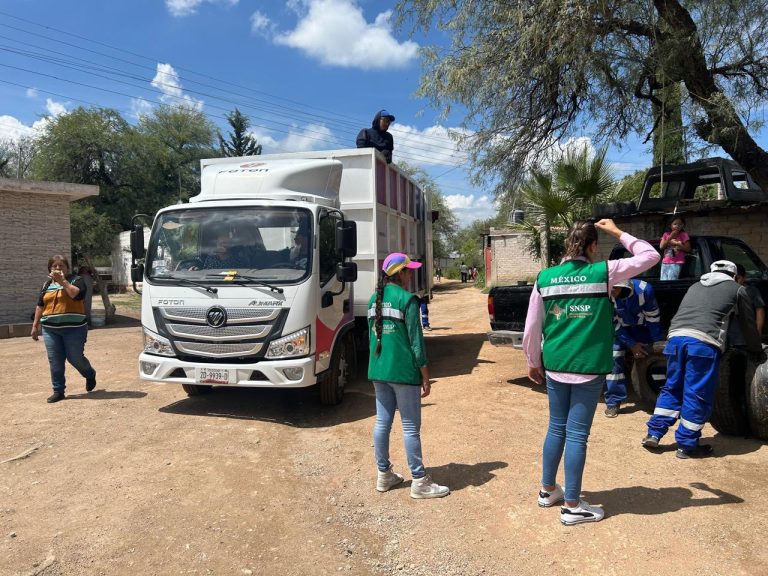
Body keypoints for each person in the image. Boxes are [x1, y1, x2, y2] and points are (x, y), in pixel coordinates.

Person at [523, 219, 659, 525]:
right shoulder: (605, 272)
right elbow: (651, 256)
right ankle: (572, 505)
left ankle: (548, 490)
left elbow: (532, 324)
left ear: (567, 245)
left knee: (556, 427)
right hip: (588, 365)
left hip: (556, 363)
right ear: (593, 246)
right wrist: (617, 232)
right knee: (576, 434)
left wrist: (532, 360)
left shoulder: (544, 277)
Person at [643, 260, 762, 458]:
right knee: (696, 393)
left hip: (675, 339)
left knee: (672, 387)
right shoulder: (738, 289)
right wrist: (756, 349)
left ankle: (653, 433)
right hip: (703, 344)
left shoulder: (695, 286)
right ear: (734, 276)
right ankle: (687, 445)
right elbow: (748, 324)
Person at [368, 252, 449, 499]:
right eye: (409, 270)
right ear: (400, 273)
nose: (411, 274)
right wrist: (425, 374)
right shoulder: (407, 300)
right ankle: (419, 480)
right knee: (411, 427)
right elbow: (416, 342)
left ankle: (384, 474)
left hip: (378, 370)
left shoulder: (373, 299)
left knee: (382, 422)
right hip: (403, 372)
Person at [31, 255, 98, 403]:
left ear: (67, 268)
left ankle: (89, 374)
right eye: (54, 266)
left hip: (74, 329)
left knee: (75, 358)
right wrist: (35, 325)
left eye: (61, 265)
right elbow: (40, 305)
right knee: (55, 360)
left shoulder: (77, 280)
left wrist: (63, 282)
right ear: (50, 269)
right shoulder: (46, 284)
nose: (58, 268)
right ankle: (58, 391)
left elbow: (76, 295)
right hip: (50, 329)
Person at [604, 278, 664, 417]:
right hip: (619, 331)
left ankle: (659, 400)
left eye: (615, 288)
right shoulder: (605, 294)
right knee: (614, 358)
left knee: (654, 361)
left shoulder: (645, 290)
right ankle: (613, 402)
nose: (611, 291)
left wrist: (656, 347)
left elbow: (653, 319)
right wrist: (632, 345)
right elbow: (612, 323)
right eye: (610, 287)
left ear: (624, 287)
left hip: (643, 329)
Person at [735, 263, 765, 335]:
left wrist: (758, 330)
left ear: (744, 278)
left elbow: (760, 310)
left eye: (737, 278)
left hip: (747, 329)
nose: (734, 281)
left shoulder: (751, 290)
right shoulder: (725, 290)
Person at [659, 216, 691, 280]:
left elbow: (688, 249)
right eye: (675, 224)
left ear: (683, 225)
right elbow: (661, 247)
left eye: (680, 224)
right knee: (663, 280)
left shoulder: (683, 235)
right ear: (670, 225)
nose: (677, 226)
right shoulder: (666, 234)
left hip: (677, 262)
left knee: (672, 280)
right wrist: (670, 237)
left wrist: (678, 244)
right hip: (665, 261)